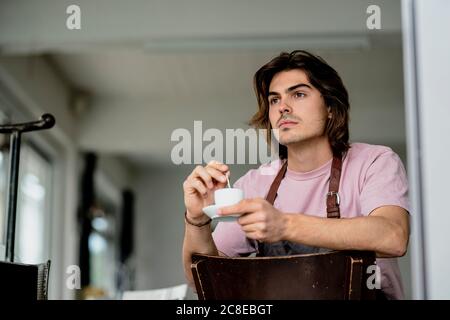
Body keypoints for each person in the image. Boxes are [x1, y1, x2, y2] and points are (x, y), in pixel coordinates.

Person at [182, 50, 410, 299]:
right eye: (274, 100)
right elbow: (203, 280)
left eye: (298, 94)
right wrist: (197, 220)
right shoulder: (254, 185)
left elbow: (393, 237)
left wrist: (284, 225)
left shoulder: (373, 162)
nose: (283, 108)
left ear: (331, 107)